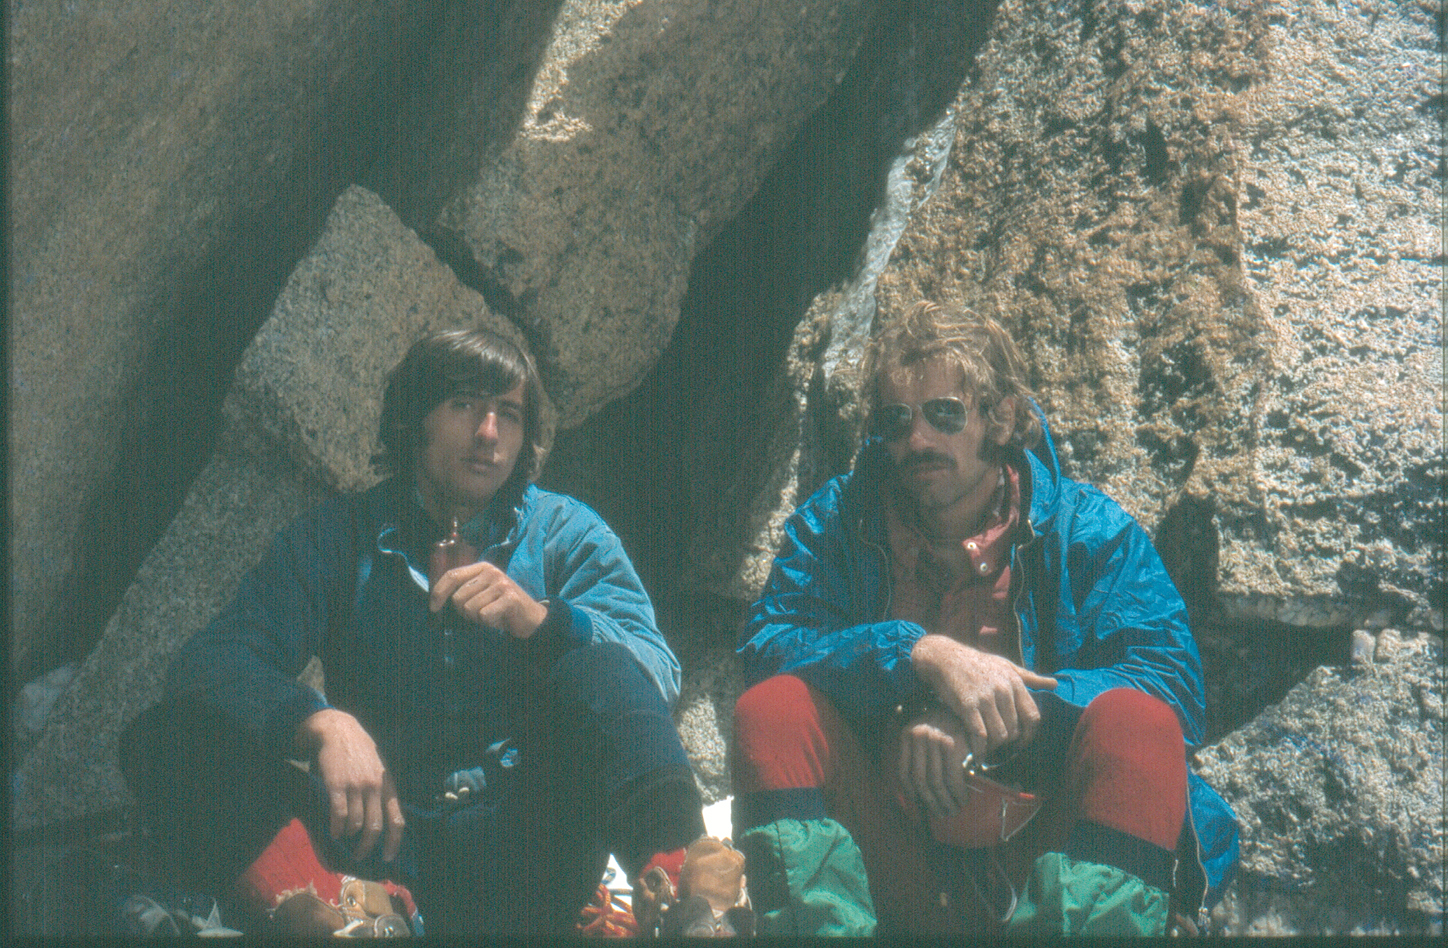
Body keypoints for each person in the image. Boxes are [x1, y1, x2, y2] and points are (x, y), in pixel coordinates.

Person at [121, 328, 749, 936]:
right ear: (414, 421)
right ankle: (344, 918)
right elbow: (209, 664)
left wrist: (544, 623)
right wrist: (319, 723)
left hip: (534, 849)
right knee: (168, 738)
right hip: (385, 847)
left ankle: (688, 905)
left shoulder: (565, 532)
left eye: (508, 412)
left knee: (604, 660)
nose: (489, 433)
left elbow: (653, 672)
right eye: (463, 406)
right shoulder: (339, 536)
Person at [729, 301, 1239, 936]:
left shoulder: (1089, 532)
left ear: (999, 418)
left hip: (1047, 848)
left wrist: (984, 716)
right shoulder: (836, 524)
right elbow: (767, 649)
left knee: (1138, 723)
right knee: (772, 711)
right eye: (896, 421)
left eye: (945, 414)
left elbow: (1172, 684)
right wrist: (917, 658)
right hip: (886, 853)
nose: (918, 441)